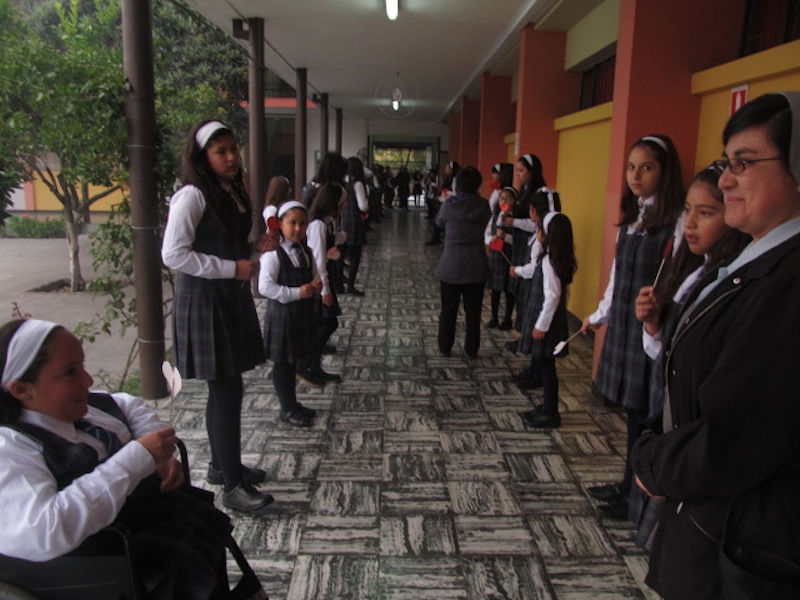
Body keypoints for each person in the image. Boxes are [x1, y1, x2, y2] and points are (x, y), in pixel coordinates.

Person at [631, 92, 800, 598]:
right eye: (727, 162)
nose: (725, 179)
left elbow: (737, 435)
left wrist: (653, 462)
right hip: (707, 514)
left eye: (743, 163)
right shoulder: (754, 261)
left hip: (739, 533)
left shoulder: (787, 282)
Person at [0, 319, 265, 598]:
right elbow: (45, 531)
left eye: (82, 366)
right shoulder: (11, 450)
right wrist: (137, 458)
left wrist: (158, 455)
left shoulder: (86, 409)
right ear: (22, 389)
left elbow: (129, 404)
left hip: (173, 532)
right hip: (125, 572)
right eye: (70, 372)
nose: (87, 381)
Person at [161, 119, 271, 515]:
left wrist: (254, 250)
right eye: (220, 151)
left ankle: (222, 467)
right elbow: (173, 254)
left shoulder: (229, 191)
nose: (231, 157)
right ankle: (234, 486)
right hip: (206, 301)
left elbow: (225, 244)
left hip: (227, 298)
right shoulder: (192, 195)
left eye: (233, 149)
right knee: (227, 390)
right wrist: (231, 268)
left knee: (223, 388)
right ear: (202, 157)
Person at [578, 134, 685, 520]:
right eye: (630, 167)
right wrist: (599, 314)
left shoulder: (677, 222)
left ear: (665, 172)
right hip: (623, 326)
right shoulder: (633, 219)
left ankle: (636, 497)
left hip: (650, 333)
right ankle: (626, 485)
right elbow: (617, 275)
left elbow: (678, 284)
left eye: (646, 167)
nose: (635, 175)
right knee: (632, 415)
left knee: (646, 419)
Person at [259, 201, 322, 428]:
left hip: (300, 314)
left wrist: (316, 285)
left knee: (293, 361)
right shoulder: (273, 254)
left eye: (302, 224)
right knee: (283, 364)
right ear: (280, 224)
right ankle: (287, 409)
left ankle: (293, 404)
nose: (297, 228)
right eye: (292, 223)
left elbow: (313, 274)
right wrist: (297, 292)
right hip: (283, 316)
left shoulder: (304, 250)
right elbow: (265, 287)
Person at [514, 212, 577, 429]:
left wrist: (541, 325)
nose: (537, 232)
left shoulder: (550, 262)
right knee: (545, 365)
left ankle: (551, 413)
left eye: (541, 229)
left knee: (546, 367)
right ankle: (548, 407)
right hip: (547, 318)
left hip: (546, 321)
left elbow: (552, 296)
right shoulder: (553, 256)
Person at [435, 166, 491, 359]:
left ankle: (445, 346)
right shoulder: (484, 206)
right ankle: (471, 349)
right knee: (473, 312)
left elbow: (439, 223)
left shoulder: (448, 206)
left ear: (457, 183)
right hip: (476, 264)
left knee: (448, 309)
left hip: (451, 264)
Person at [300, 183, 345, 385]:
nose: (344, 205)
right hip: (318, 283)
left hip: (321, 281)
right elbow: (318, 259)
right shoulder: (318, 225)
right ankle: (305, 363)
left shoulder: (324, 223)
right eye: (342, 202)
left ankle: (314, 366)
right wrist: (325, 289)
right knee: (328, 323)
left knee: (323, 323)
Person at [485, 186, 518, 329]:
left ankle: (508, 318)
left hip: (511, 256)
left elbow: (520, 240)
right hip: (496, 257)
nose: (504, 201)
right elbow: (486, 234)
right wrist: (491, 239)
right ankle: (494, 317)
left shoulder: (517, 219)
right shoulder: (494, 217)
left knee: (509, 290)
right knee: (495, 289)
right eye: (501, 198)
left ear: (515, 201)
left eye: (508, 198)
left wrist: (506, 237)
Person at [342, 156, 369, 296]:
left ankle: (339, 283)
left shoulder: (342, 182)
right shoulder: (357, 184)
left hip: (342, 221)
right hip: (354, 222)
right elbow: (363, 206)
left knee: (341, 254)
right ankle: (350, 286)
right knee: (355, 257)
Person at [426, 161, 459, 246]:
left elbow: (455, 193)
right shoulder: (448, 178)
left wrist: (447, 193)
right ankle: (437, 238)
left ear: (451, 169)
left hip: (450, 203)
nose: (445, 169)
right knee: (438, 220)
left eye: (447, 168)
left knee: (441, 220)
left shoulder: (455, 179)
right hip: (444, 201)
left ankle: (439, 238)